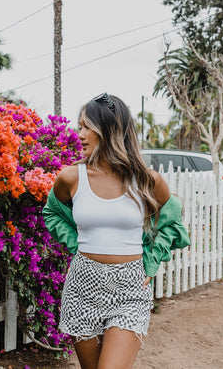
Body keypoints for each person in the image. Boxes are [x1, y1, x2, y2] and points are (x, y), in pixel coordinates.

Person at [42, 93, 190, 369]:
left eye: (87, 127)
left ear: (110, 130)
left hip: (129, 289)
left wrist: (151, 261)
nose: (80, 135)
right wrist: (76, 244)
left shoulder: (146, 180)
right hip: (82, 286)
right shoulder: (71, 177)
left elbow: (172, 222)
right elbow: (52, 212)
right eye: (80, 127)